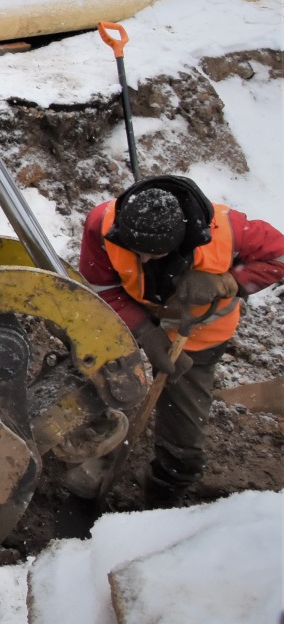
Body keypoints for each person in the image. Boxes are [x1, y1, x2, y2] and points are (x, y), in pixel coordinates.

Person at [74, 175, 283, 508]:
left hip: (199, 335)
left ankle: (162, 497)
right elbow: (100, 288)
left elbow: (280, 256)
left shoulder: (231, 232)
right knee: (94, 382)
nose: (141, 261)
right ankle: (92, 457)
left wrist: (228, 281)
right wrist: (144, 331)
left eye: (151, 254)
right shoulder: (103, 223)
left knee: (183, 440)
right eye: (134, 251)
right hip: (128, 317)